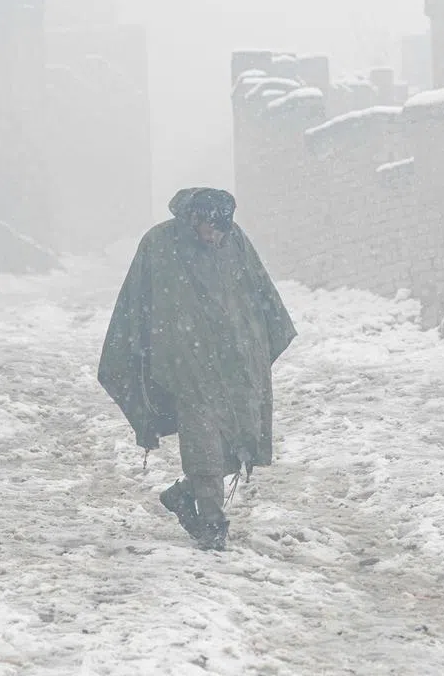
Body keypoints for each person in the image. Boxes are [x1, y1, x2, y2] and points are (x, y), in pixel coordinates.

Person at [98, 188, 296, 550]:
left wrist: (261, 338)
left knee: (239, 438)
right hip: (187, 363)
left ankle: (183, 494)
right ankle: (212, 521)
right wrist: (142, 352)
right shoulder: (160, 244)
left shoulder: (235, 240)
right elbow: (137, 302)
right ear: (194, 219)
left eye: (222, 231)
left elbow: (258, 290)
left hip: (235, 361)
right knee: (203, 443)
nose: (215, 238)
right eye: (210, 229)